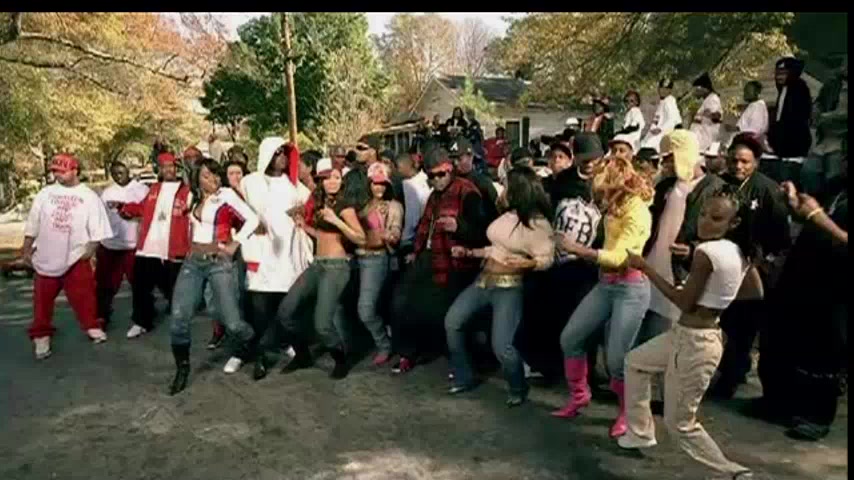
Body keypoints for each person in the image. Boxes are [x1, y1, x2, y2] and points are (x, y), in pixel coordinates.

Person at [619, 187, 759, 480]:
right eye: (704, 214)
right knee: (635, 362)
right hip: (691, 335)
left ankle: (734, 472)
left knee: (680, 423)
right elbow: (754, 291)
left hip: (696, 342)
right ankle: (640, 433)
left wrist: (645, 267)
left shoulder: (707, 253)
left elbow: (682, 302)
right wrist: (716, 299)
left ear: (734, 223)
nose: (705, 222)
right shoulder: (739, 252)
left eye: (716, 218)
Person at [552, 153, 653, 439]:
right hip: (606, 283)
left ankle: (628, 412)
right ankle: (580, 396)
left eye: (603, 190)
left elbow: (620, 256)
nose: (599, 195)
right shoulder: (616, 204)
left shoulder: (638, 211)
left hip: (630, 288)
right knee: (570, 338)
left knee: (617, 360)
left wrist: (576, 249)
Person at [756, 147, 847, 440]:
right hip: (805, 273)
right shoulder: (837, 186)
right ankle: (780, 403)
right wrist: (796, 205)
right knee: (783, 336)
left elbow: (827, 225)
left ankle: (817, 416)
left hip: (837, 285)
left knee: (823, 350)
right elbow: (810, 216)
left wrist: (819, 218)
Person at [445, 167, 555, 406]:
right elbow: (496, 249)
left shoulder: (538, 224)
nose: (503, 191)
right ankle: (464, 375)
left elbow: (547, 258)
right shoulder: (507, 216)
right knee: (453, 321)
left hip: (509, 288)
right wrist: (470, 252)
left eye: (507, 186)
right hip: (483, 281)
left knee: (502, 346)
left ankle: (518, 386)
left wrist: (529, 263)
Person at [253, 158, 367, 380]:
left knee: (322, 323)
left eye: (336, 178)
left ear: (342, 181)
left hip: (336, 267)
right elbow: (323, 236)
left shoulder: (345, 207)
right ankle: (303, 354)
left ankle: (340, 358)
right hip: (317, 264)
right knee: (286, 311)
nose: (332, 182)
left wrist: (337, 220)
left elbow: (360, 238)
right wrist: (304, 226)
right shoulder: (323, 203)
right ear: (321, 181)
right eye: (327, 178)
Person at [390, 147, 489, 374]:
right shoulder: (434, 196)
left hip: (456, 262)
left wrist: (459, 227)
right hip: (430, 256)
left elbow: (482, 232)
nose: (437, 180)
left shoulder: (468, 192)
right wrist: (415, 251)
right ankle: (408, 353)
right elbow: (424, 227)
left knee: (449, 314)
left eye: (441, 174)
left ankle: (460, 361)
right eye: (432, 176)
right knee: (402, 301)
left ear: (450, 169)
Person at [709, 132, 791, 398]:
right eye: (734, 160)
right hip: (722, 263)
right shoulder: (720, 184)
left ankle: (730, 378)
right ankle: (731, 368)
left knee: (742, 325)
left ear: (756, 162)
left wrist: (764, 264)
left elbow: (781, 237)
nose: (738, 166)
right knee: (723, 320)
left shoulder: (768, 190)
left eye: (744, 161)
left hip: (753, 268)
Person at [168, 159, 259, 394]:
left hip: (218, 262)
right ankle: (182, 369)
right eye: (207, 176)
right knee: (178, 317)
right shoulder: (192, 196)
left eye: (216, 175)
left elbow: (253, 219)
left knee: (232, 322)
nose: (213, 180)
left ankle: (254, 343)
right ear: (197, 178)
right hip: (193, 261)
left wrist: (235, 243)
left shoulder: (226, 195)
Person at [518, 134, 604, 383]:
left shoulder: (607, 182)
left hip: (590, 262)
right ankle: (552, 367)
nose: (589, 164)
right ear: (575, 158)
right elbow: (545, 205)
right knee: (554, 313)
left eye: (594, 159)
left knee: (585, 320)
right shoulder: (563, 181)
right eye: (584, 159)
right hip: (560, 261)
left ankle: (587, 372)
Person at [23, 153, 113, 359]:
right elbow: (33, 222)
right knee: (42, 300)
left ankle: (91, 326)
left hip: (75, 255)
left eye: (62, 172)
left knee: (85, 295)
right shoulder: (45, 194)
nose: (58, 176)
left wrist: (91, 249)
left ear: (75, 170)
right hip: (46, 256)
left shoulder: (89, 196)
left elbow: (98, 228)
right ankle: (41, 335)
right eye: (55, 172)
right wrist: (26, 247)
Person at [238, 138, 312, 365]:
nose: (283, 157)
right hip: (261, 249)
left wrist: (301, 212)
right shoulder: (250, 182)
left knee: (287, 303)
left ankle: (289, 343)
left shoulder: (295, 186)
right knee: (259, 305)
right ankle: (259, 353)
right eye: (278, 152)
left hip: (288, 252)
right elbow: (239, 209)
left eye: (285, 153)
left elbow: (308, 207)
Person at [638, 131, 705, 346]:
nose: (665, 163)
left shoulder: (711, 188)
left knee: (663, 339)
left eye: (669, 157)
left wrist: (693, 249)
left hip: (679, 277)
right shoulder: (666, 185)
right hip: (650, 270)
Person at [119, 152, 191, 339]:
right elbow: (142, 208)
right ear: (159, 169)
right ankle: (141, 321)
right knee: (141, 285)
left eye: (171, 166)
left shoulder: (186, 191)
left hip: (173, 246)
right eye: (164, 167)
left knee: (175, 286)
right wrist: (124, 207)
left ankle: (180, 318)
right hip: (149, 245)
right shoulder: (154, 189)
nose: (168, 170)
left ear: (177, 168)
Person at [355, 163, 403, 366]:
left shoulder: (393, 206)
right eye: (375, 183)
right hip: (356, 258)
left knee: (365, 309)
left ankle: (384, 344)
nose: (379, 187)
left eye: (383, 184)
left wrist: (388, 235)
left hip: (376, 259)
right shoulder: (361, 205)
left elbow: (395, 232)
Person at [96, 161, 149, 330]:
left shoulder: (142, 190)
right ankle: (101, 315)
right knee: (105, 284)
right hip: (110, 244)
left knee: (139, 283)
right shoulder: (107, 193)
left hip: (134, 245)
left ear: (128, 171)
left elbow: (148, 213)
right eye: (115, 174)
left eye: (121, 172)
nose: (118, 176)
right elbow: (100, 218)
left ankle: (143, 317)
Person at [765, 57, 813, 186]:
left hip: (794, 141)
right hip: (782, 142)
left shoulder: (800, 89)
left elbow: (799, 117)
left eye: (783, 73)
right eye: (778, 73)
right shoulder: (783, 89)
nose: (779, 77)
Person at [450, 136, 498, 222]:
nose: (455, 163)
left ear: (471, 157)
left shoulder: (483, 183)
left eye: (459, 159)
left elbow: (493, 215)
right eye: (453, 159)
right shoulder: (448, 181)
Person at [395, 152, 431, 257]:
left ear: (405, 166)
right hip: (407, 236)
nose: (397, 172)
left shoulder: (424, 181)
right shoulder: (403, 183)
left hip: (417, 235)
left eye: (398, 168)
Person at [641, 78, 683, 152]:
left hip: (664, 134)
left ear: (670, 90)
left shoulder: (669, 101)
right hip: (656, 133)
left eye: (666, 89)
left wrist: (660, 129)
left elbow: (673, 120)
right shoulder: (663, 102)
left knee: (648, 148)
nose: (663, 90)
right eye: (661, 88)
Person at [689, 72, 723, 154]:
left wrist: (710, 115)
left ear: (704, 88)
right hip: (699, 140)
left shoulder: (713, 99)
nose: (695, 92)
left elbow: (717, 116)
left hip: (705, 140)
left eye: (697, 89)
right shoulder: (707, 100)